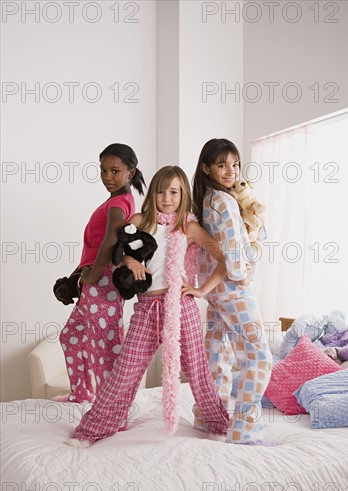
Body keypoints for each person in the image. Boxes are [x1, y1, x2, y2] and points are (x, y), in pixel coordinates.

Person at [66, 165, 229, 446]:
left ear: (183, 195)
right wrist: (129, 261)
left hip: (181, 306)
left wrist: (201, 289)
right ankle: (92, 430)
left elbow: (224, 259)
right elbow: (118, 252)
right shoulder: (141, 220)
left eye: (174, 192)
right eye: (161, 191)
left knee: (197, 370)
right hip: (147, 307)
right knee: (124, 372)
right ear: (152, 193)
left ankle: (219, 425)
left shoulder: (188, 227)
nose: (167, 197)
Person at [191, 138, 272, 445]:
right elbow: (234, 255)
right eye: (222, 165)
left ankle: (209, 420)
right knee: (259, 358)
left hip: (215, 292)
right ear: (206, 168)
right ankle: (244, 431)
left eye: (235, 164)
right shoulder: (224, 202)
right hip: (234, 289)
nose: (230, 171)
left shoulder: (206, 199)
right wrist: (246, 272)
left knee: (218, 354)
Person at [53, 143, 145, 403]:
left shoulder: (119, 204)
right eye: (103, 170)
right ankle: (81, 394)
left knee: (104, 350)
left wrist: (92, 276)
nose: (107, 176)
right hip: (93, 280)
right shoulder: (115, 201)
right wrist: (77, 276)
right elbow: (93, 248)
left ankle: (111, 408)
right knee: (71, 336)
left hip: (102, 282)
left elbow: (110, 241)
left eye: (115, 171)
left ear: (130, 171)